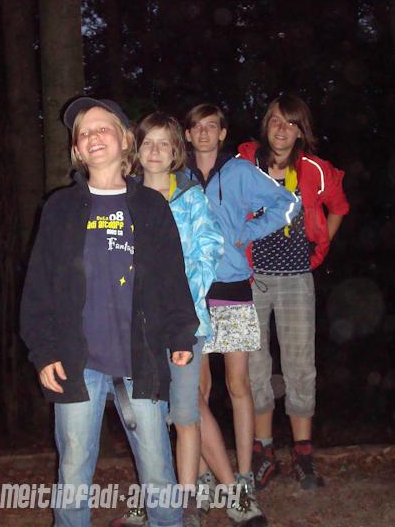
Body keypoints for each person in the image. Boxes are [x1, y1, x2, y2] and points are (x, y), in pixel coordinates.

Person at [20, 96, 199, 527]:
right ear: (77, 150)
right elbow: (39, 287)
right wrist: (43, 351)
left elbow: (172, 276)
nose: (93, 136)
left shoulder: (151, 206)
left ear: (125, 140)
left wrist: (181, 333)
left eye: (103, 127)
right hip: (76, 362)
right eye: (83, 133)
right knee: (73, 470)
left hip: (141, 358)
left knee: (158, 470)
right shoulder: (60, 208)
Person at [184, 103, 301, 527]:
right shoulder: (178, 175)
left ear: (222, 133)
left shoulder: (238, 172)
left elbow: (287, 203)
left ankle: (245, 476)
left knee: (238, 385)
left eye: (211, 127)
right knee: (195, 392)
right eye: (196, 127)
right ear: (187, 134)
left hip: (232, 288)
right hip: (191, 294)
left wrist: (244, 233)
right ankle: (202, 476)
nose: (203, 133)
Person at [112, 113, 223, 527]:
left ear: (176, 150)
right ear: (135, 149)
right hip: (139, 329)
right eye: (148, 143)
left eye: (164, 143)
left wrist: (181, 304)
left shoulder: (191, 198)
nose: (155, 151)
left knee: (186, 412)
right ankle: (156, 497)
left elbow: (209, 249)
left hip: (184, 324)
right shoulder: (124, 198)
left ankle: (187, 500)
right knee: (147, 414)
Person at [237, 93, 349, 491]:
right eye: (275, 121)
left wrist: (320, 249)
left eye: (291, 123)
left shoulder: (315, 169)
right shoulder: (245, 164)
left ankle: (303, 454)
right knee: (254, 366)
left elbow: (339, 206)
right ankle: (264, 451)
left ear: (301, 130)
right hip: (251, 279)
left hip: (297, 277)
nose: (282, 129)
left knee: (300, 364)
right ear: (265, 125)